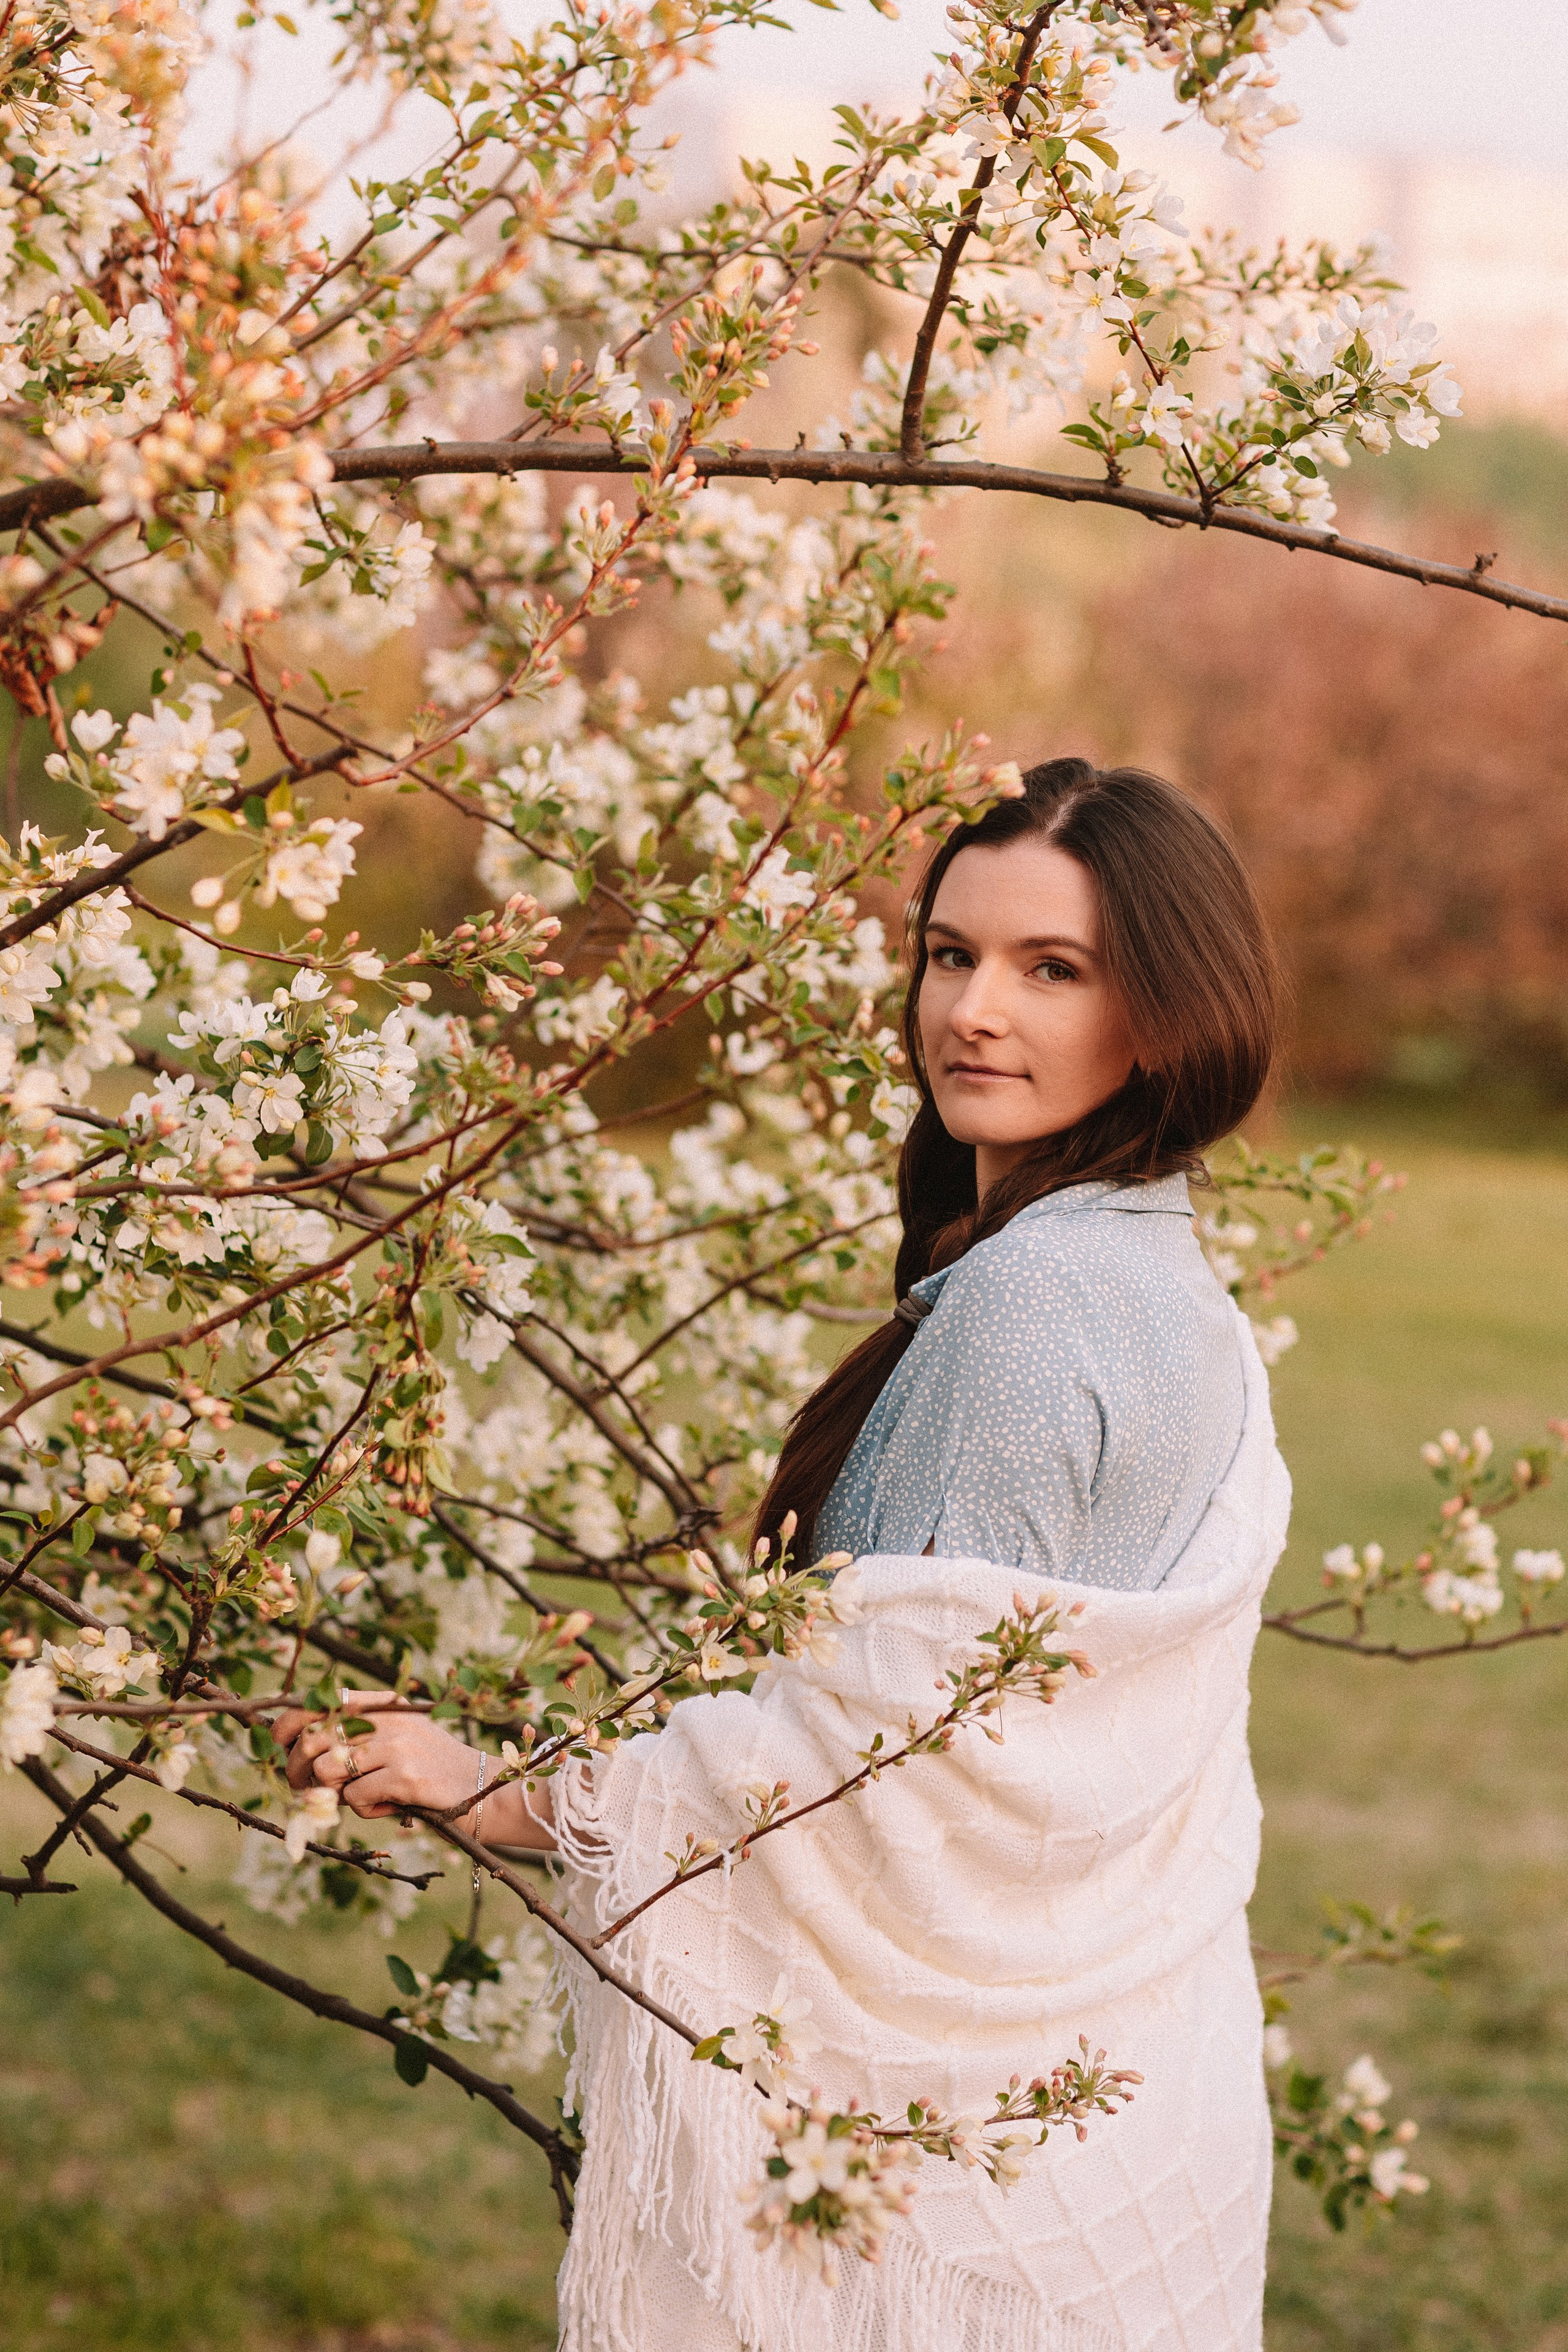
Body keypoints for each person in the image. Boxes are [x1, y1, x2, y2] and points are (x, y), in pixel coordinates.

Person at [281, 757, 1291, 2352]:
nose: (973, 1010)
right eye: (951, 954)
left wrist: (492, 1788)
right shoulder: (1191, 1305)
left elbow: (871, 1769)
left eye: (1052, 970)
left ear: (1164, 1009)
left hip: (959, 2201)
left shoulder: (1035, 1315)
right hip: (1133, 2130)